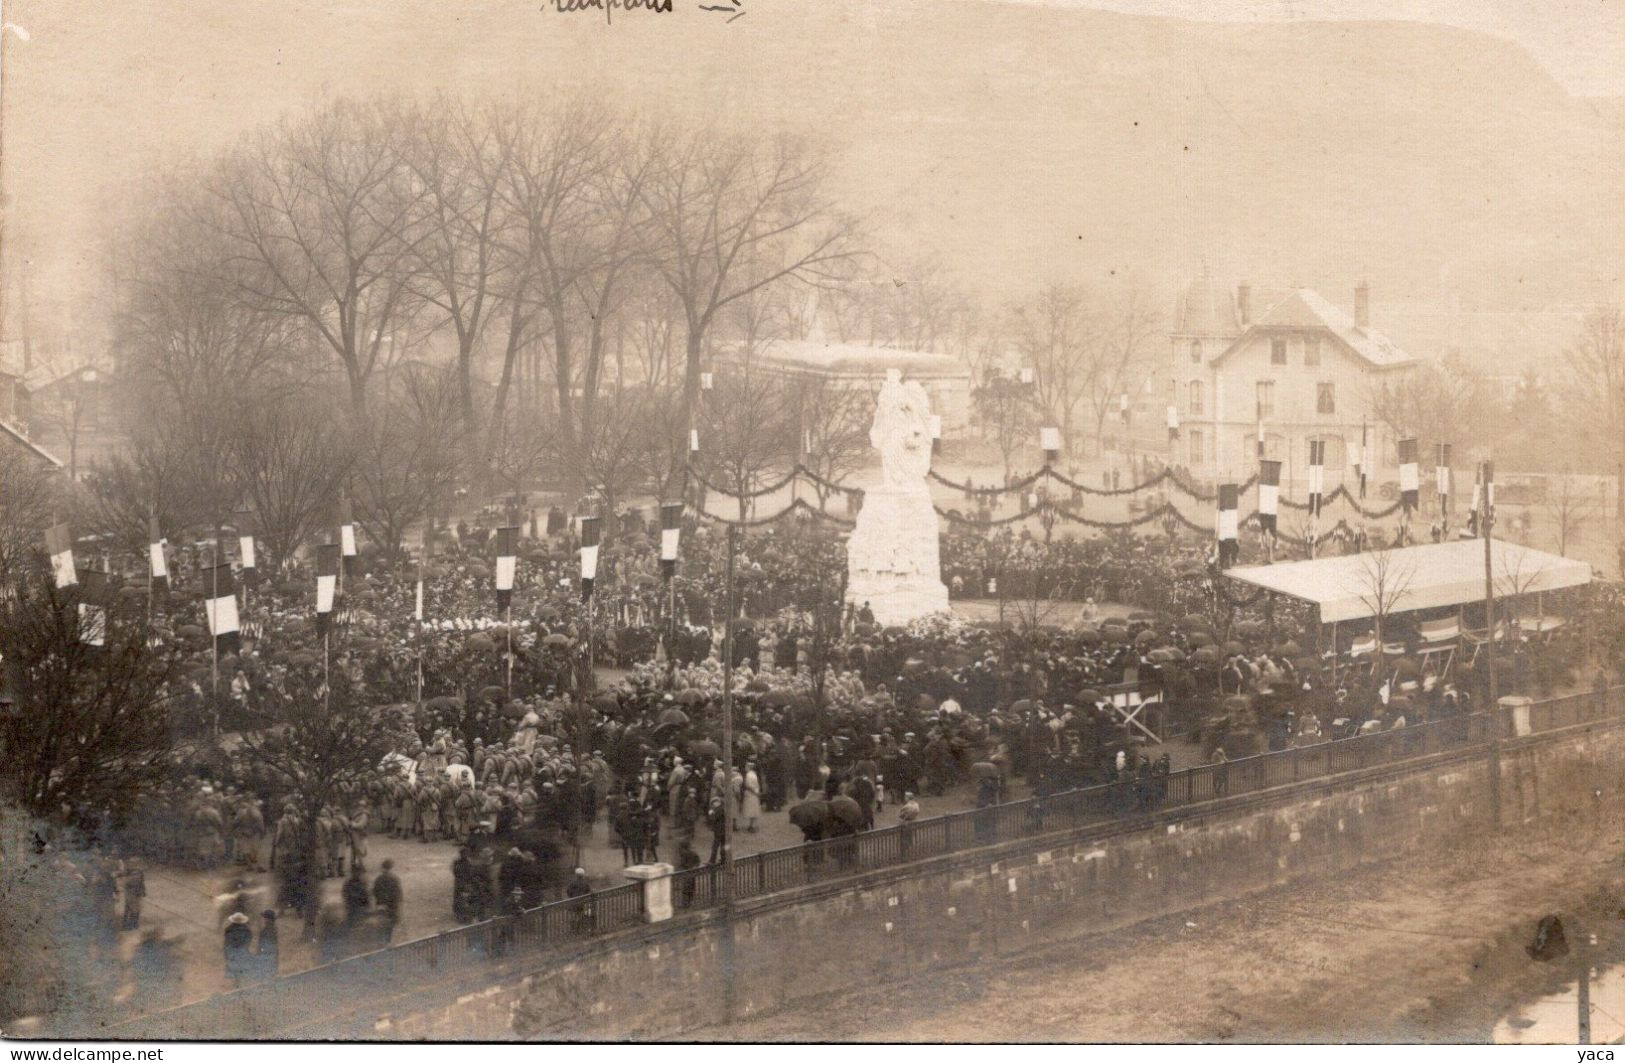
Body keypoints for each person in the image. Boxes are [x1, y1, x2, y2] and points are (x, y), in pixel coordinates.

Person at [371, 859, 402, 943]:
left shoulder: (379, 879)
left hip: (381, 905)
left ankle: (381, 942)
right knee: (390, 926)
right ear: (391, 868)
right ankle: (388, 942)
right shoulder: (394, 879)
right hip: (391, 906)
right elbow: (398, 894)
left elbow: (374, 891)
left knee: (381, 925)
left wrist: (379, 901)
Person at [223, 912, 254, 984]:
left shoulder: (229, 929)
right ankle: (240, 982)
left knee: (234, 968)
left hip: (232, 951)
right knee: (241, 968)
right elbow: (248, 941)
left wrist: (226, 953)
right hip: (242, 951)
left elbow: (227, 942)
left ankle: (237, 982)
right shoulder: (247, 930)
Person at [121, 858, 146, 931]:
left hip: (136, 893)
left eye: (134, 864)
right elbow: (126, 882)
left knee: (135, 909)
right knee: (130, 909)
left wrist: (143, 891)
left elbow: (142, 882)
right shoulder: (129, 872)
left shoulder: (139, 872)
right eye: (131, 864)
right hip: (130, 893)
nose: (132, 865)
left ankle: (133, 924)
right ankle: (128, 925)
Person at [255, 910, 280, 981]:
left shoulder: (269, 929)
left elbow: (264, 942)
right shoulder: (271, 928)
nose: (264, 919)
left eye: (265, 918)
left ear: (269, 919)